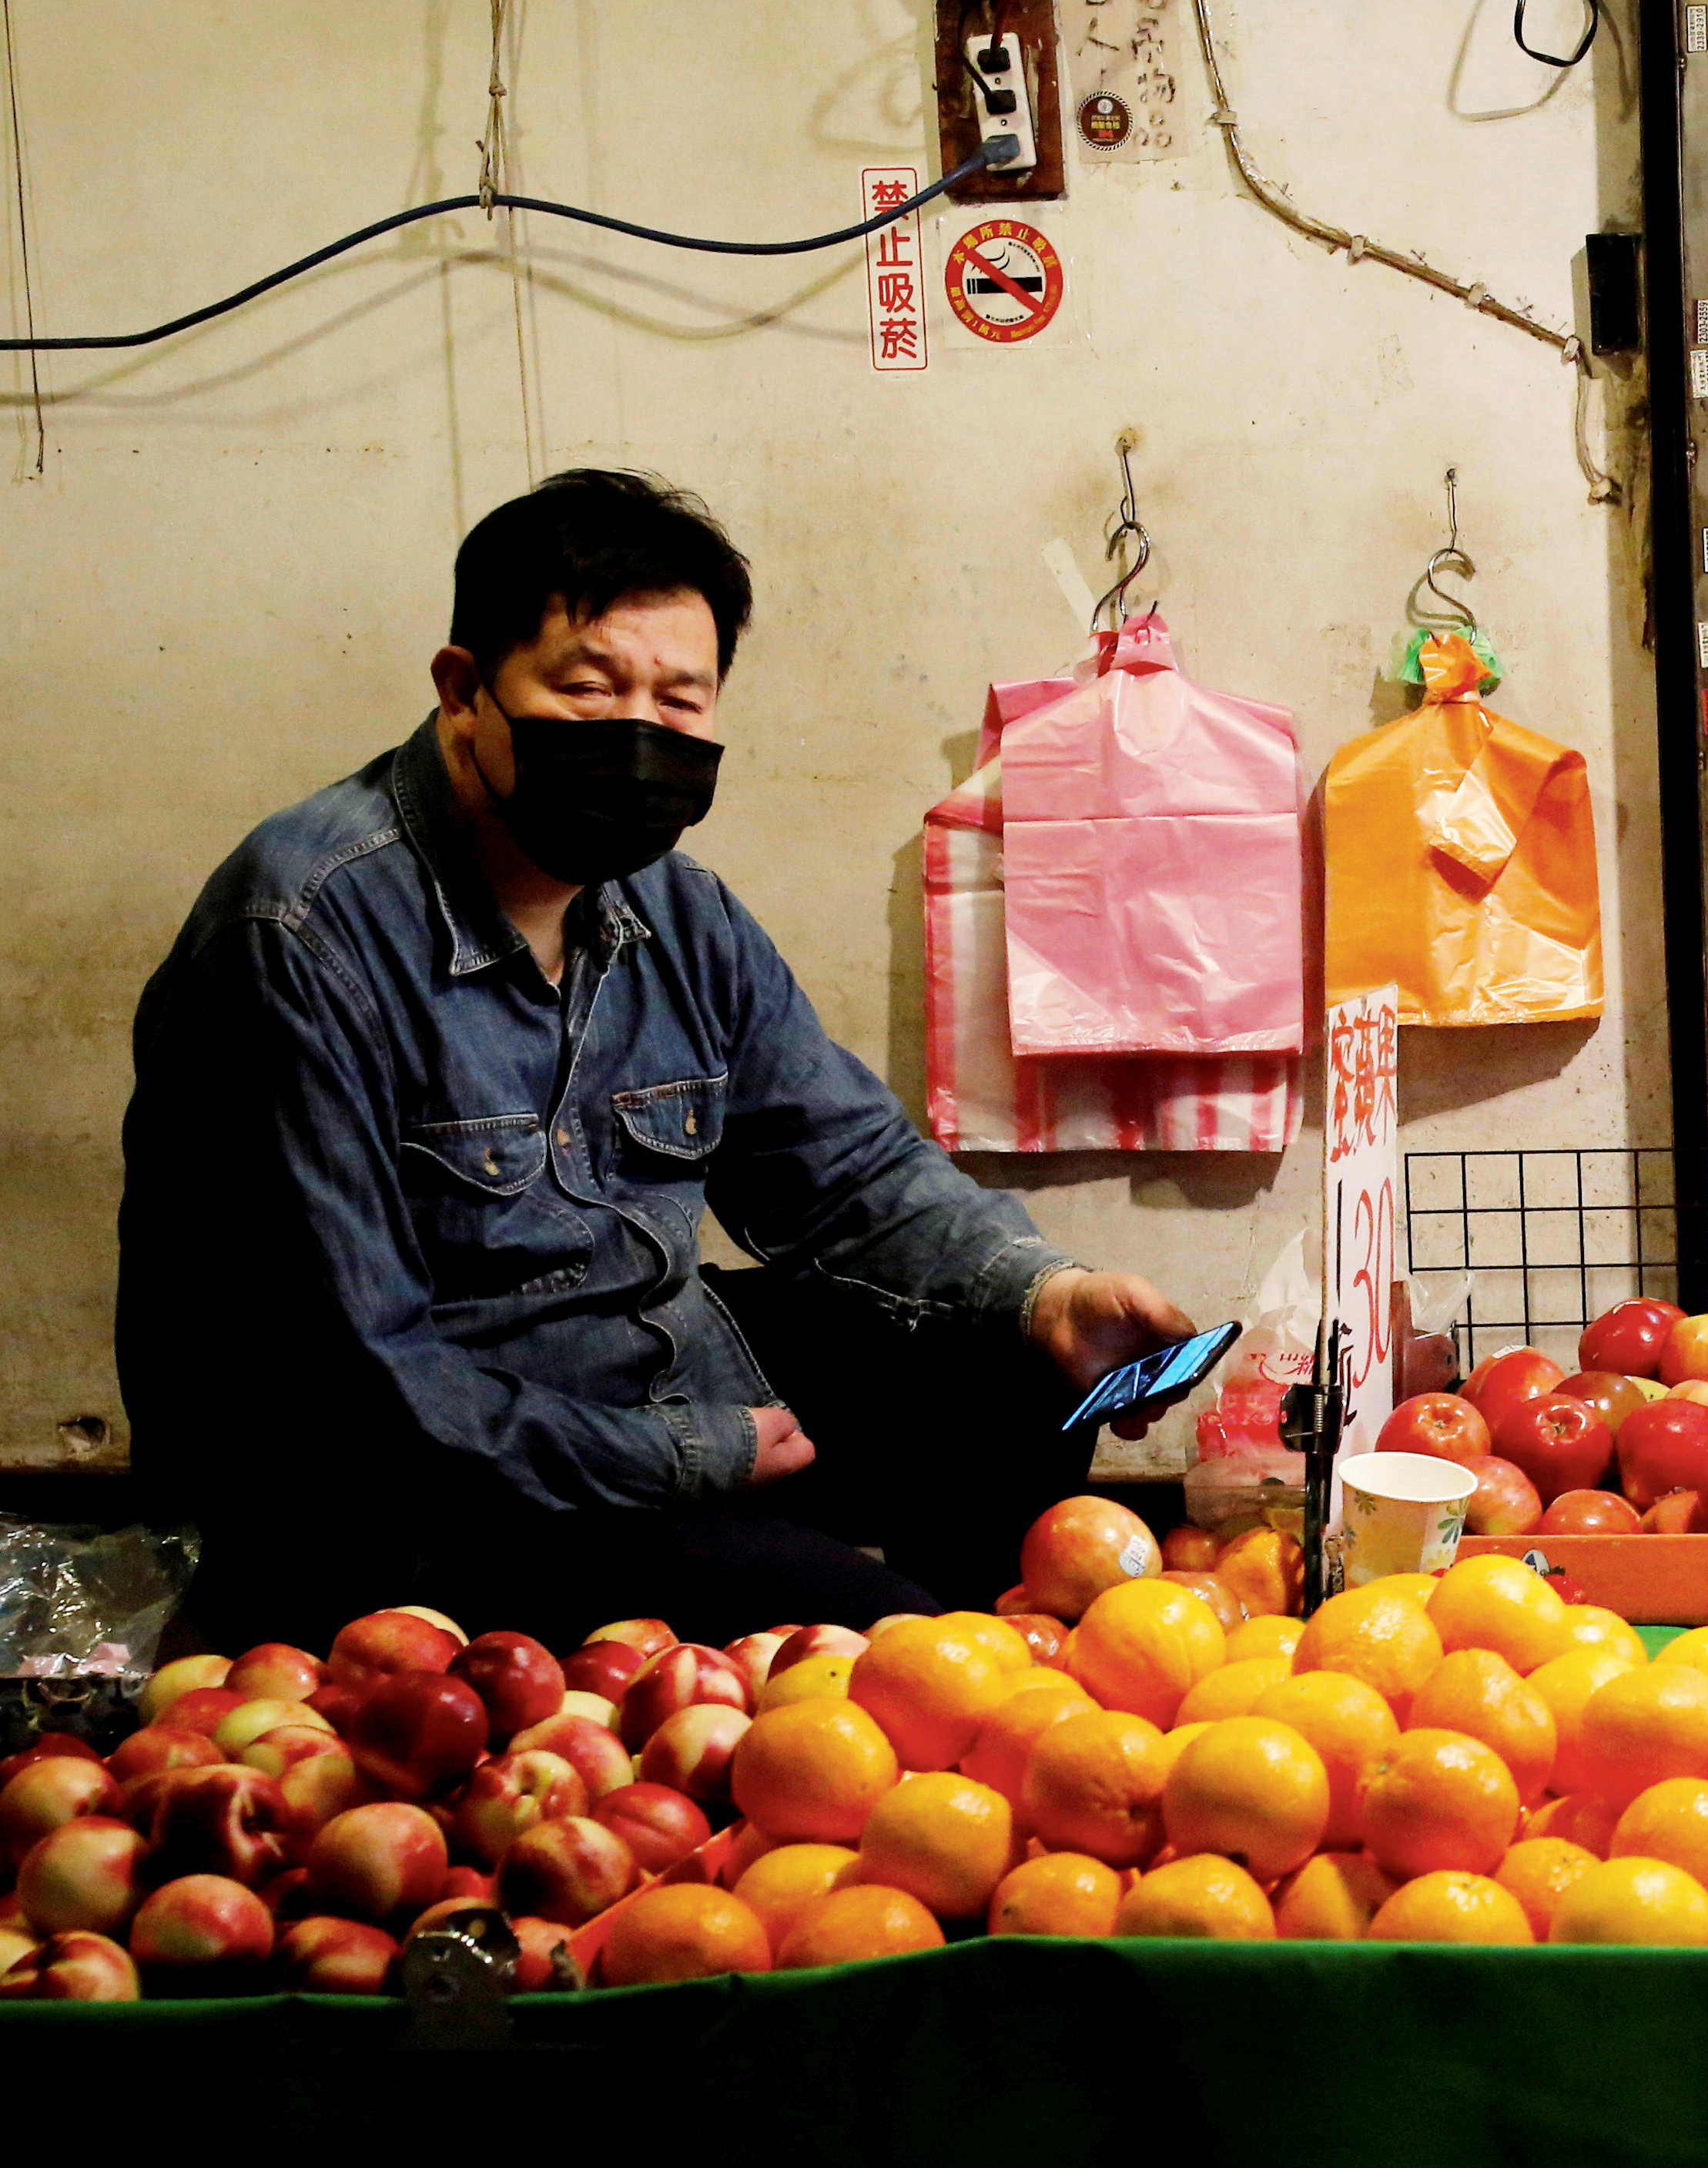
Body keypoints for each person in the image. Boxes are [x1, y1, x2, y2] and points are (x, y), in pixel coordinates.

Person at [120, 470, 1200, 1648]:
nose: (640, 732)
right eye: (588, 688)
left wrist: (1045, 1292)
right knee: (886, 1648)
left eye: (680, 700)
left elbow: (847, 1173)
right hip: (415, 1490)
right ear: (463, 691)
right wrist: (693, 1453)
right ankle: (891, 1686)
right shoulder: (298, 933)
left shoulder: (673, 912)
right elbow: (356, 1379)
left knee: (1015, 1367)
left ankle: (988, 1682)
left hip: (652, 1375)